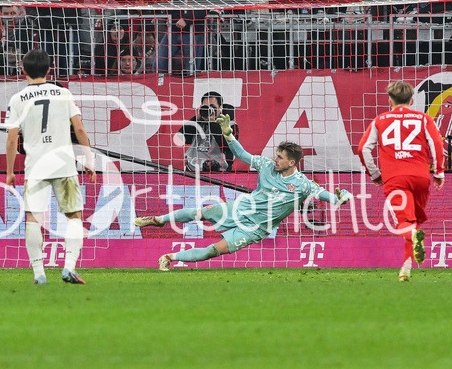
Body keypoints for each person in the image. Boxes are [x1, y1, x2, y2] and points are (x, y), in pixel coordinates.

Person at [137, 115, 352, 271]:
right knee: (200, 213)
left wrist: (340, 198)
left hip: (256, 229)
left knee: (214, 250)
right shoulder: (266, 165)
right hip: (241, 208)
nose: (275, 159)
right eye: (276, 155)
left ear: (292, 162)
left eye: (280, 157)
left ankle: (169, 258)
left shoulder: (303, 184)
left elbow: (326, 195)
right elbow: (241, 154)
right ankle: (157, 220)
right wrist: (228, 134)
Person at [5, 49, 96, 285]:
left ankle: (39, 274)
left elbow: (12, 138)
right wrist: (89, 159)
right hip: (63, 165)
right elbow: (80, 129)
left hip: (35, 166)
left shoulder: (17, 99)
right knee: (74, 215)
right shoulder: (63, 93)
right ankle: (68, 267)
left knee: (33, 218)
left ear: (23, 71)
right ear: (49, 70)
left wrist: (9, 171)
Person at [358, 81, 445, 282]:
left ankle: (414, 237)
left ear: (390, 100)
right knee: (413, 222)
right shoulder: (423, 118)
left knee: (405, 224)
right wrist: (439, 172)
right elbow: (437, 144)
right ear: (412, 100)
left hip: (395, 178)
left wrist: (375, 174)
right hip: (421, 177)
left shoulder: (380, 120)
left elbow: (363, 149)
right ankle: (406, 268)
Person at [178, 91, 237, 172]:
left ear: (220, 107)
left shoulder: (231, 124)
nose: (210, 109)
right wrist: (196, 119)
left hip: (219, 172)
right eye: (206, 106)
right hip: (193, 171)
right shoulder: (198, 122)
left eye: (212, 106)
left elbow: (225, 145)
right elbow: (182, 138)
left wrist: (212, 122)